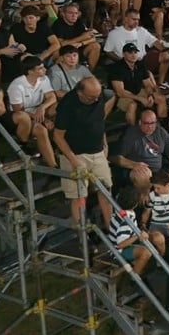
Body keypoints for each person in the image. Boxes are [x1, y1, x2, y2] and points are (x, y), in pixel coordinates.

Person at [52, 76, 112, 228]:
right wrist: (73, 160)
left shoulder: (99, 97)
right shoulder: (68, 105)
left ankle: (111, 229)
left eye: (98, 95)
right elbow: (58, 136)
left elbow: (99, 121)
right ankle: (83, 235)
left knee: (106, 189)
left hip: (97, 152)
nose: (96, 99)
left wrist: (104, 144)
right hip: (76, 154)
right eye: (92, 97)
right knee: (79, 196)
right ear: (80, 93)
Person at [7, 55, 58, 166]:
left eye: (43, 67)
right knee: (41, 130)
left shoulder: (43, 79)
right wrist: (42, 119)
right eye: (40, 68)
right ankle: (53, 165)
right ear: (30, 71)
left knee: (58, 107)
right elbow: (18, 110)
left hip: (37, 110)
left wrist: (42, 108)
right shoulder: (17, 85)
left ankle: (58, 147)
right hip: (22, 116)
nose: (44, 70)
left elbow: (52, 97)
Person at [116, 109, 169, 185]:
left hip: (159, 167)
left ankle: (166, 193)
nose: (150, 127)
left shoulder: (160, 131)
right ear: (140, 122)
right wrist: (133, 164)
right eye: (146, 123)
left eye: (152, 123)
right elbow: (116, 158)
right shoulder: (131, 134)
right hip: (141, 169)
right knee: (143, 176)